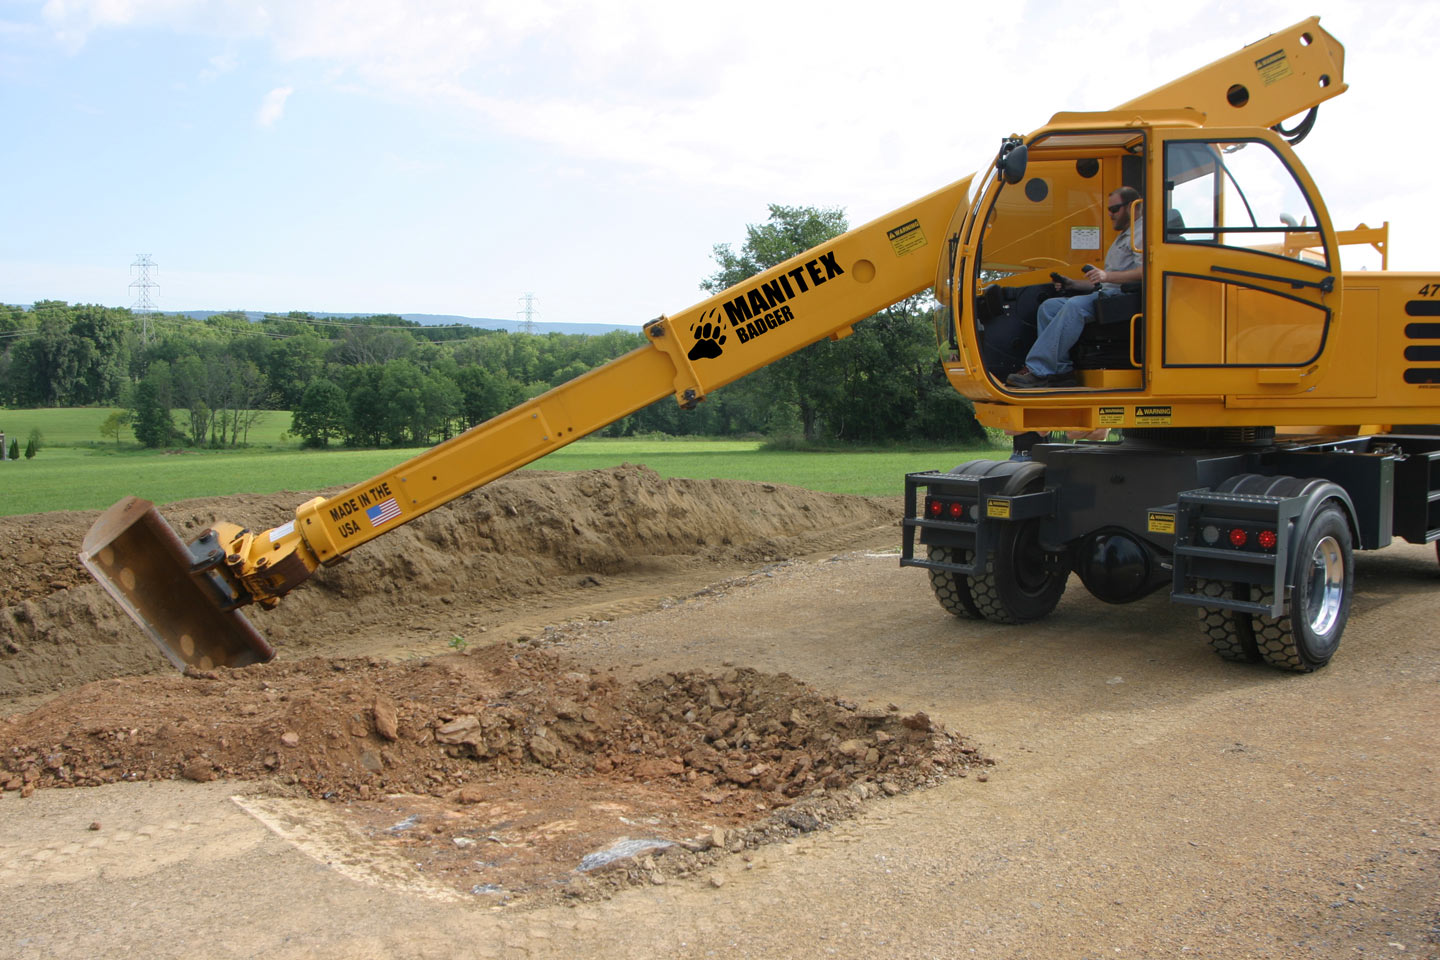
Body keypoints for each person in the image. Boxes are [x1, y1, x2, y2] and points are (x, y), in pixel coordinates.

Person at [1006, 187, 1143, 389]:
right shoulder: (1125, 234)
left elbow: (1147, 271)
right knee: (1049, 307)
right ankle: (1061, 372)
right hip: (1107, 293)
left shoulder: (1142, 232)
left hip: (1124, 298)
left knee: (1074, 307)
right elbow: (1103, 281)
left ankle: (1039, 369)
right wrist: (1073, 284)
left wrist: (1107, 275)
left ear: (1133, 206)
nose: (1110, 215)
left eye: (1114, 209)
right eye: (1108, 210)